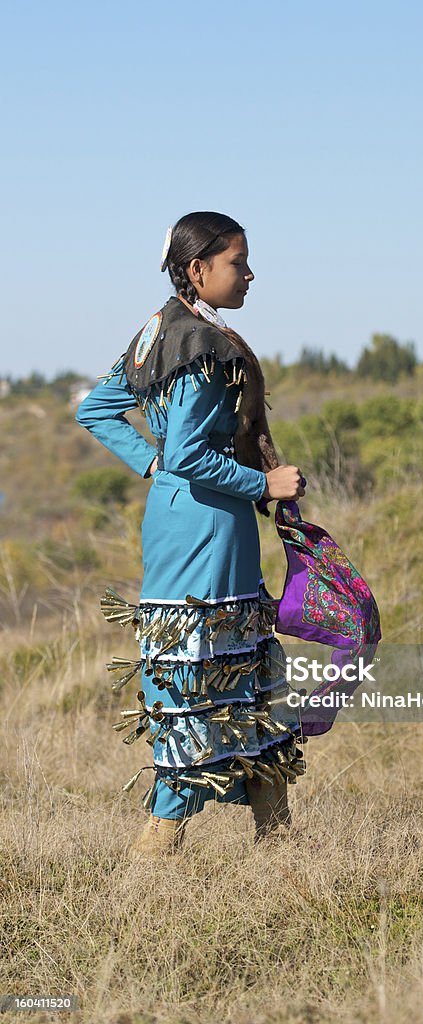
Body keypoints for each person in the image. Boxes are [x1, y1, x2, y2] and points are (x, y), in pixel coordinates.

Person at [75, 211, 307, 857]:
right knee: (196, 670)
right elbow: (187, 454)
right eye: (238, 262)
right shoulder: (200, 347)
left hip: (185, 518)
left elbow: (96, 409)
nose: (250, 273)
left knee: (233, 664)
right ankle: (160, 844)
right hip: (207, 525)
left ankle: (275, 830)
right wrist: (262, 485)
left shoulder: (160, 331)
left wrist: (150, 463)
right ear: (198, 269)